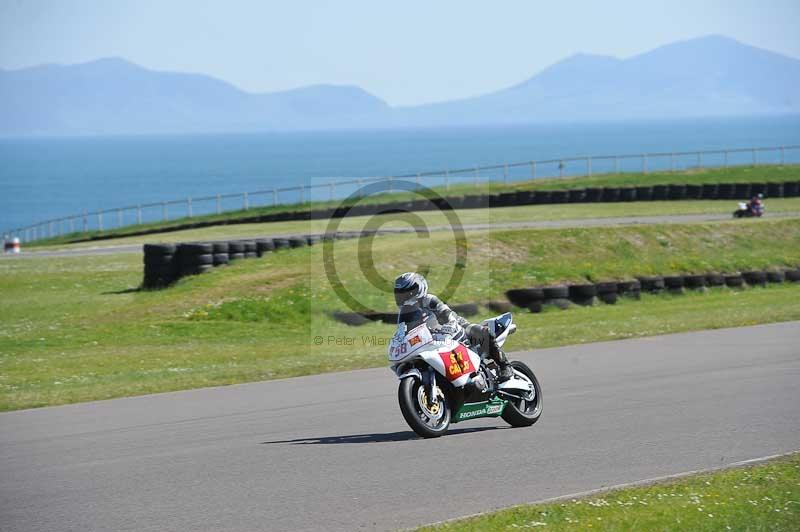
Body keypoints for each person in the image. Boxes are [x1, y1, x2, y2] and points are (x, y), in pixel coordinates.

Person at [393, 272, 514, 381]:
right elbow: (404, 331)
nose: (404, 298)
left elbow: (447, 315)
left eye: (408, 293)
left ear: (419, 289)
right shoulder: (406, 313)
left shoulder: (429, 300)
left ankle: (505, 366)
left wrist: (448, 327)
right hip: (433, 341)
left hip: (458, 328)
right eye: (401, 295)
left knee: (481, 331)